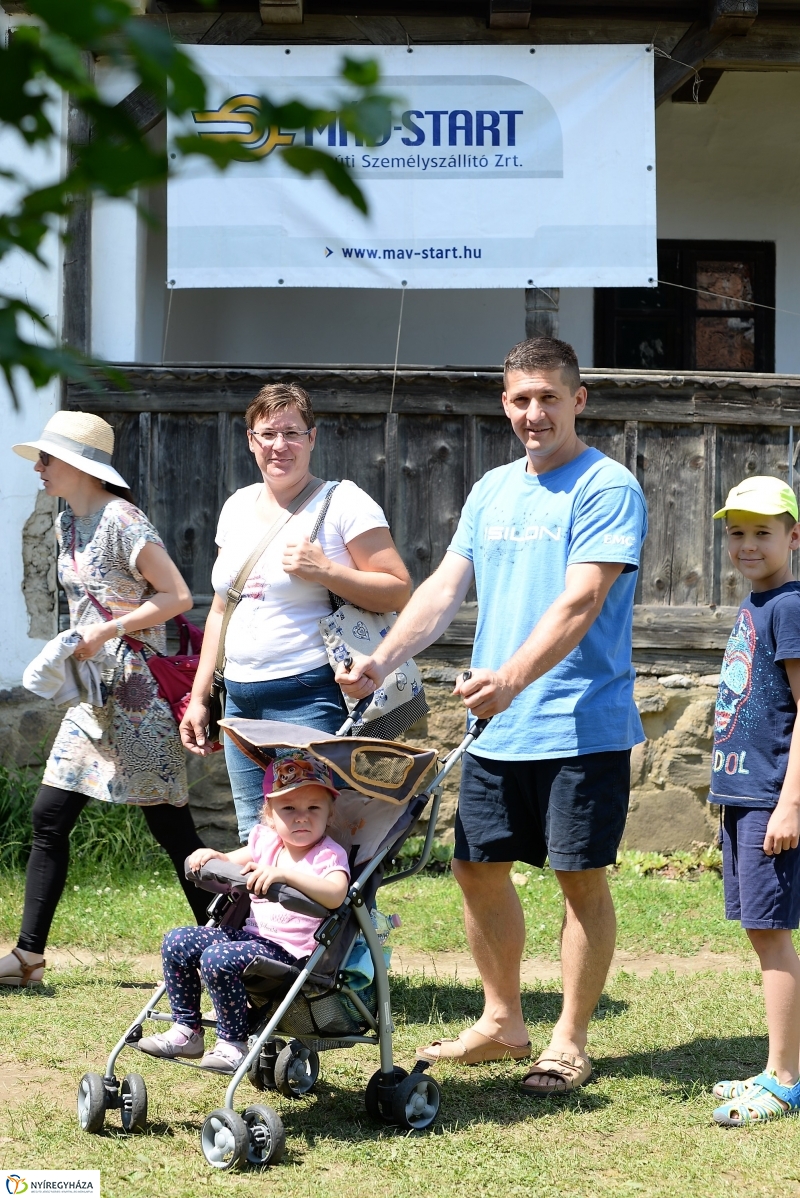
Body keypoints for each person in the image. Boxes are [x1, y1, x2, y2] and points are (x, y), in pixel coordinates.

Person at [338, 336, 647, 1095]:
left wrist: (510, 675)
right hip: (497, 724)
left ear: (579, 399)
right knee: (476, 869)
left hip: (580, 721)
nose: (533, 413)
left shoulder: (606, 487)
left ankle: (570, 1041)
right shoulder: (493, 490)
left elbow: (581, 602)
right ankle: (504, 1021)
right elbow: (443, 589)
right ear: (504, 404)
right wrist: (382, 662)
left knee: (580, 877)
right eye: (520, 399)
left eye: (549, 397)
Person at [1, 411, 208, 990]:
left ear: (78, 465)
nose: (38, 469)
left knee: (172, 832)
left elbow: (177, 596)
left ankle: (230, 954)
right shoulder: (68, 523)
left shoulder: (123, 519)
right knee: (48, 818)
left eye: (46, 459)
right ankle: (28, 958)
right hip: (93, 696)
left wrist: (107, 632)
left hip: (139, 696)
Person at [180, 382, 411, 843]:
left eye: (291, 433)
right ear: (250, 440)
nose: (279, 446)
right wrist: (200, 695)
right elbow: (224, 607)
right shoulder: (236, 506)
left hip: (311, 695)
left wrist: (324, 570)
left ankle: (347, 918)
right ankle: (270, 920)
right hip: (241, 700)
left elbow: (398, 590)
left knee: (323, 838)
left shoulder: (344, 502)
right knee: (258, 838)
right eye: (267, 434)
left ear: (312, 438)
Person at [138, 750, 349, 1072]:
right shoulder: (266, 843)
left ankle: (232, 1043)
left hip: (291, 952)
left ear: (329, 814)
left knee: (218, 957)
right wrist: (210, 855)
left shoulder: (328, 856)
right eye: (289, 808)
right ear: (269, 814)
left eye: (313, 808)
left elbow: (336, 895)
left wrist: (286, 876)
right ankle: (187, 1030)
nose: (301, 817)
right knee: (177, 940)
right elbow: (227, 861)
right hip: (251, 939)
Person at [704, 477, 800, 1125]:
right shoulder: (756, 603)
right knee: (759, 931)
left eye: (763, 532)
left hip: (772, 799)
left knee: (772, 934)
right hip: (743, 797)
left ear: (794, 537)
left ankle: (785, 1079)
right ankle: (775, 1065)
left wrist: (790, 805)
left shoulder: (789, 607)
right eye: (737, 532)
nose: (747, 544)